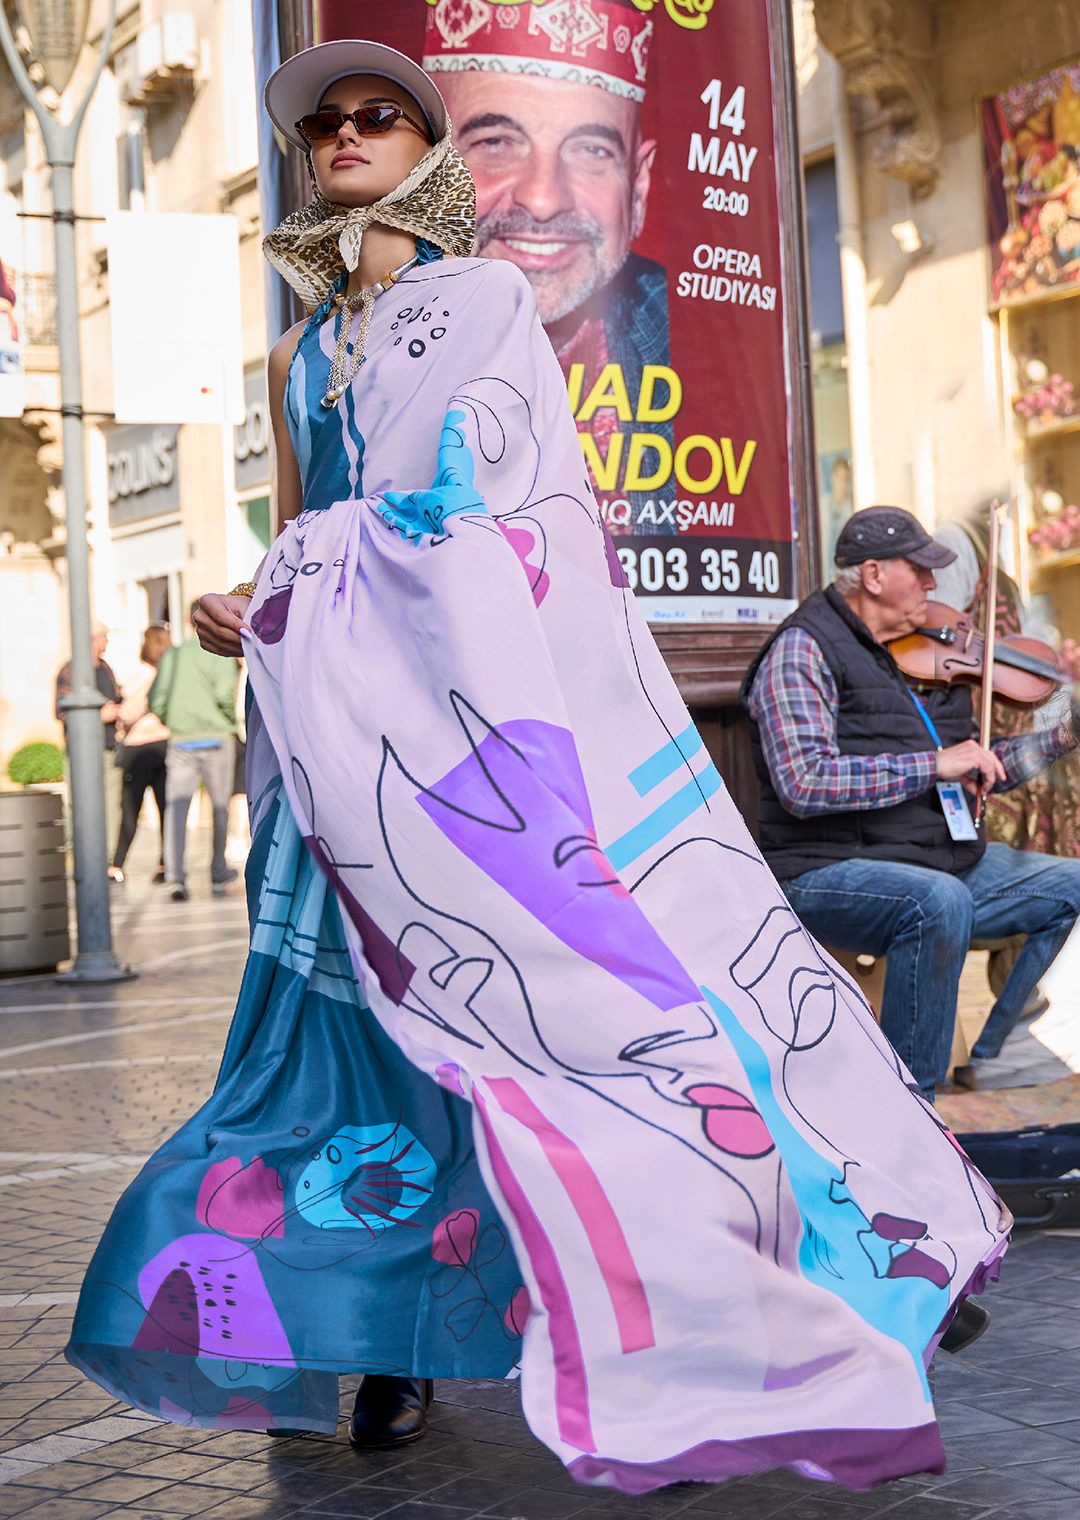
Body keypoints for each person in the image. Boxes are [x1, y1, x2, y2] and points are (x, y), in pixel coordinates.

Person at [66, 44, 1010, 1498]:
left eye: (375, 114)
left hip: (475, 762)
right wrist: (254, 592)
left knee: (579, 1036)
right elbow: (322, 527)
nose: (342, 136)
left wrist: (322, 568)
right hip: (346, 762)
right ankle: (383, 1347)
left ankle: (752, 1302)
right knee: (352, 1062)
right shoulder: (297, 354)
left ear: (428, 149)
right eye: (322, 123)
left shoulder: (488, 300)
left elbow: (499, 519)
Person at [742, 505, 1080, 1102]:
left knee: (1070, 885)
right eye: (919, 570)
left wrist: (1062, 734)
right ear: (872, 575)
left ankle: (998, 1058)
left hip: (936, 857)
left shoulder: (915, 656)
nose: (932, 583)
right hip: (824, 869)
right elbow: (803, 782)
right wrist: (933, 765)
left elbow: (979, 768)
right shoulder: (802, 652)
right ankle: (912, 1106)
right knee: (937, 903)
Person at [422, 0, 670, 523]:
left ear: (639, 187)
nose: (541, 198)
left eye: (591, 150)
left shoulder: (697, 335)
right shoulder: (365, 343)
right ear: (431, 173)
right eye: (495, 142)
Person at [149, 602, 239, 902]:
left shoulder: (172, 656)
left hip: (181, 741)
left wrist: (174, 720)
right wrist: (228, 720)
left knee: (176, 811)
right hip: (216, 738)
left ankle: (176, 878)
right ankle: (217, 870)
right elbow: (224, 694)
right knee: (219, 809)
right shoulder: (221, 654)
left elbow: (157, 700)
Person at [55, 619, 123, 863]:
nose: (107, 641)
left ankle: (105, 861)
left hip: (107, 748)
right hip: (82, 752)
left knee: (111, 808)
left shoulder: (105, 668)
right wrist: (98, 716)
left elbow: (115, 696)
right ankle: (80, 859)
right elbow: (61, 711)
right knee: (79, 807)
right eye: (104, 637)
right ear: (95, 640)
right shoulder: (70, 671)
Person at [109, 624, 171, 884]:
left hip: (140, 746)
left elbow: (129, 713)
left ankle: (117, 864)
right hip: (165, 743)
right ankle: (165, 864)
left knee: (131, 807)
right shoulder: (169, 673)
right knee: (165, 807)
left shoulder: (144, 674)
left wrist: (121, 718)